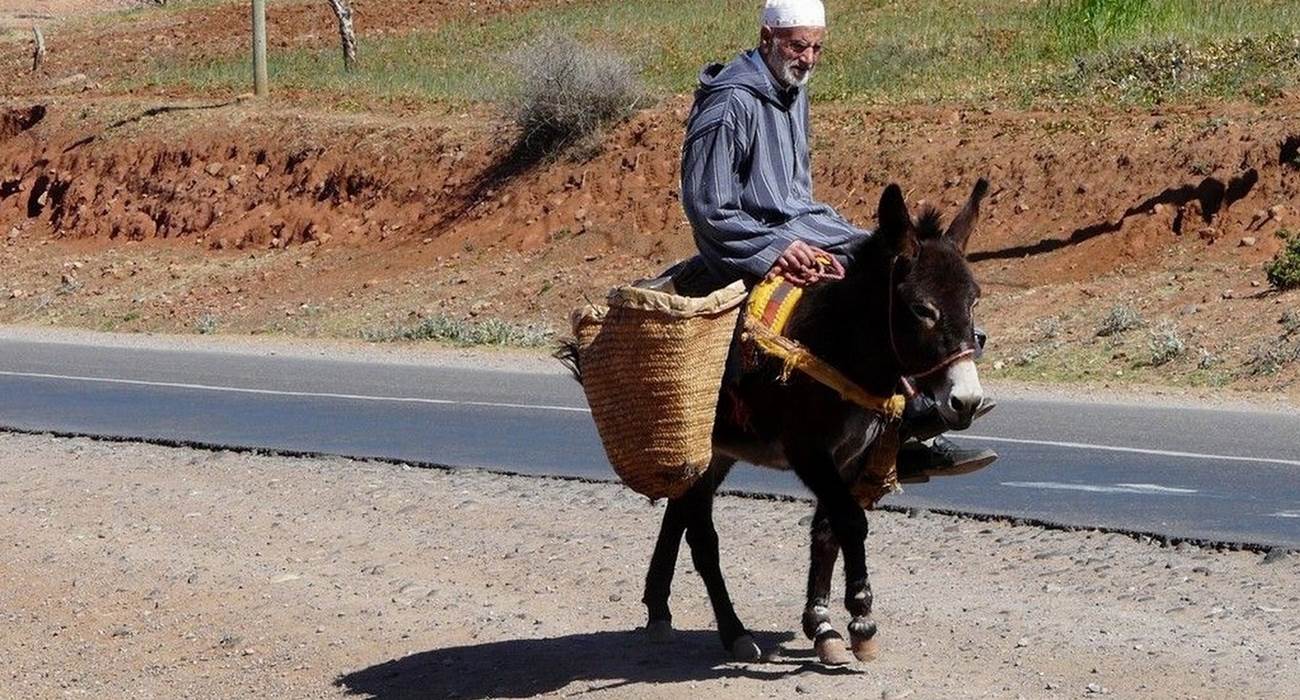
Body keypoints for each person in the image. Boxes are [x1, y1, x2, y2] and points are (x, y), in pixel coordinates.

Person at [671, 0, 996, 479]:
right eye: (798, 46)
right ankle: (903, 424)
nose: (807, 58)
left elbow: (796, 194)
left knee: (902, 269)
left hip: (803, 225)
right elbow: (708, 208)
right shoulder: (728, 104)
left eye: (816, 48)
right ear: (767, 39)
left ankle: (924, 392)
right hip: (749, 241)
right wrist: (776, 251)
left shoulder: (793, 92)